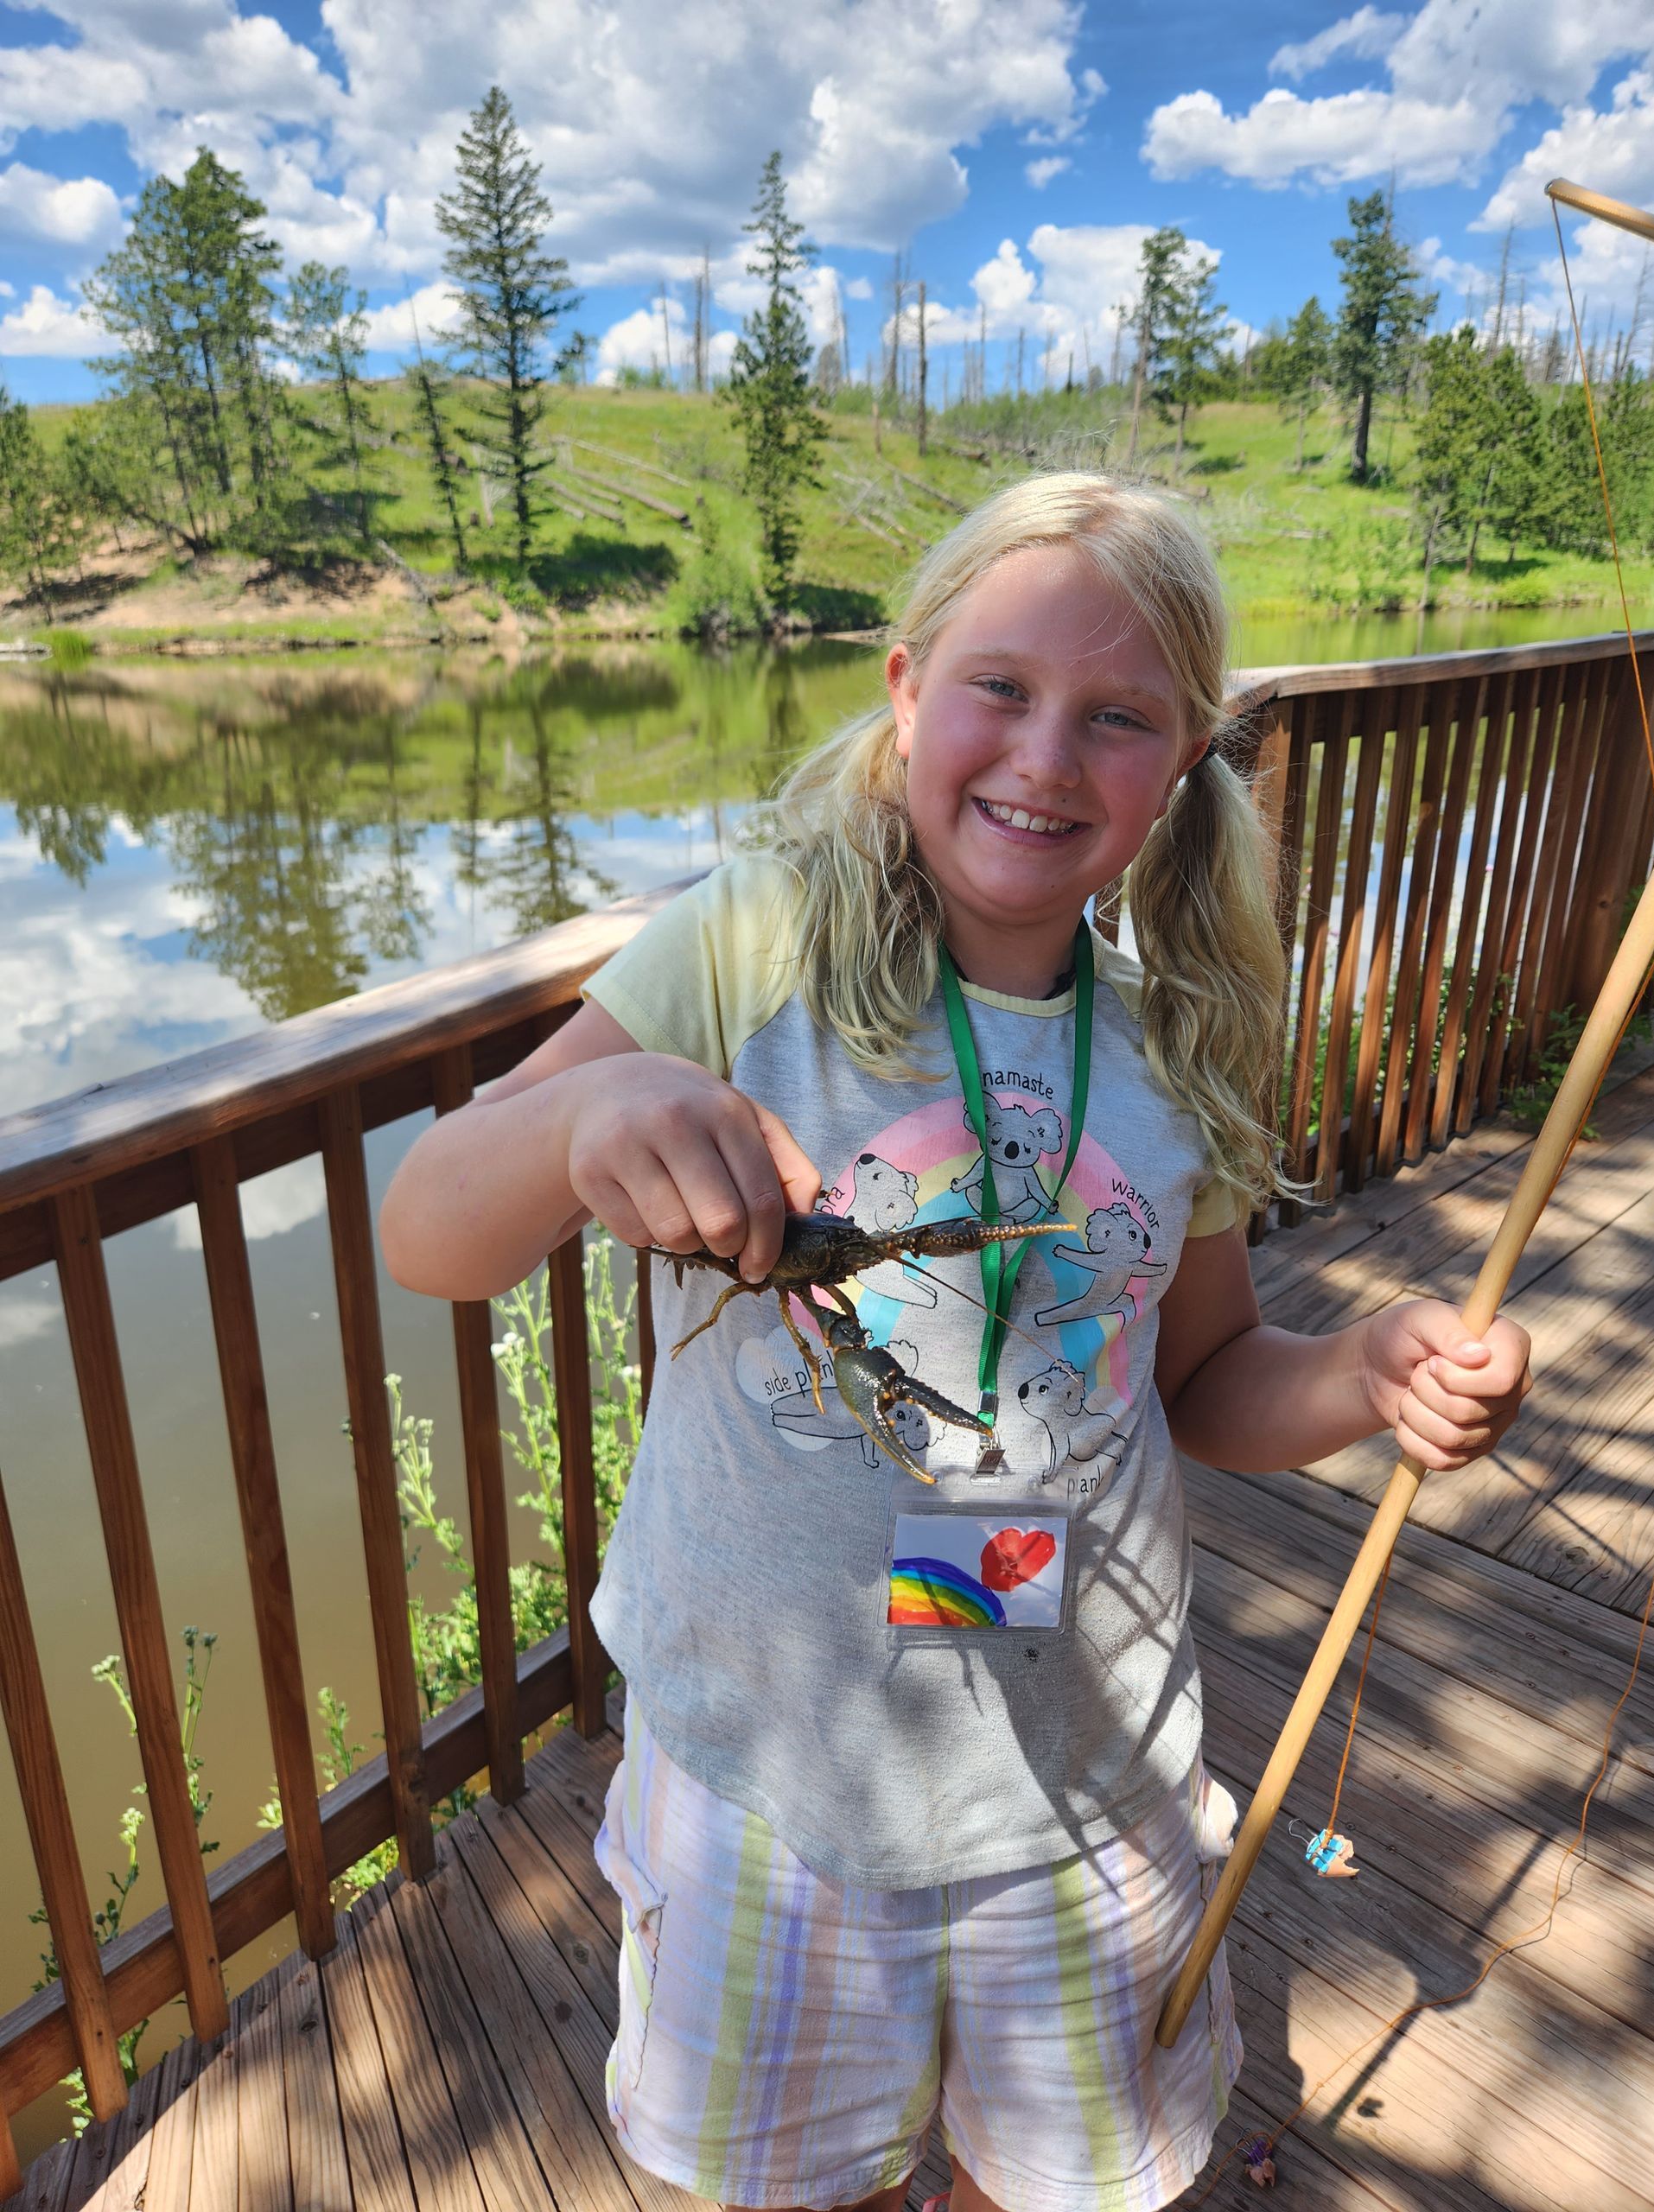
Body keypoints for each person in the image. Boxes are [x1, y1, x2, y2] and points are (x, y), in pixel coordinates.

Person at [380, 475, 1530, 2212]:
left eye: (1119, 716)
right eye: (1001, 687)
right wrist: (579, 1117)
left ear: (1184, 760)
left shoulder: (1182, 1042)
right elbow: (428, 1231)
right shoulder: (754, 940)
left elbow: (1204, 1379)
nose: (1046, 757)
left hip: (1080, 1774)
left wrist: (1367, 1371)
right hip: (776, 1777)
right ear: (908, 693)